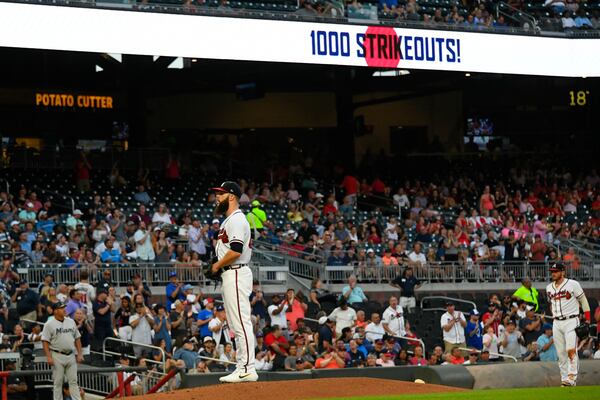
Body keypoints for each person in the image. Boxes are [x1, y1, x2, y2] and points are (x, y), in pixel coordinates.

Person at [209, 181, 257, 383]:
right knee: (236, 324)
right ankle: (243, 367)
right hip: (231, 273)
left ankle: (247, 367)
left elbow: (236, 250)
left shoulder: (237, 219)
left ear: (231, 196)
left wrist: (216, 265)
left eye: (220, 194)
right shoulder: (229, 220)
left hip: (236, 272)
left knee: (241, 323)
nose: (217, 197)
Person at [546, 262, 591, 387]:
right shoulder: (549, 287)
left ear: (563, 272)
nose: (553, 273)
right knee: (560, 353)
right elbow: (552, 303)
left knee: (571, 350)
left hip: (571, 320)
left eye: (556, 271)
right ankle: (564, 379)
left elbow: (583, 301)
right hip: (556, 322)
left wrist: (587, 319)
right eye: (552, 271)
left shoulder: (573, 284)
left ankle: (571, 379)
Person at [41, 302, 83, 400]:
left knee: (73, 381)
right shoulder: (49, 324)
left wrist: (80, 353)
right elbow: (45, 341)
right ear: (55, 311)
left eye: (64, 307)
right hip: (57, 354)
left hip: (71, 354)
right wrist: (48, 356)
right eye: (61, 308)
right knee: (58, 382)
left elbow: (77, 338)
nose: (64, 309)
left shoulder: (71, 321)